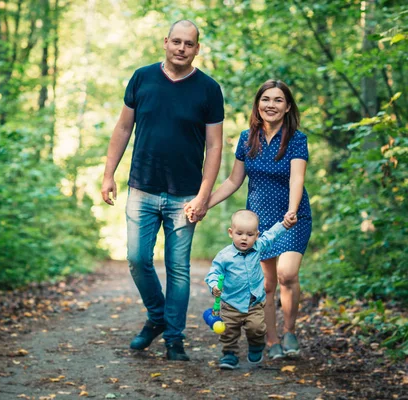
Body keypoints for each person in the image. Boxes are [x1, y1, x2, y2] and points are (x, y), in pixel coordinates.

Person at [100, 20, 225, 361]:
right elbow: (124, 127)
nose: (182, 48)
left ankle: (174, 337)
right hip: (142, 186)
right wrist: (108, 173)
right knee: (138, 260)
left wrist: (203, 194)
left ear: (197, 49)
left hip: (185, 195)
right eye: (177, 42)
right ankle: (157, 316)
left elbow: (214, 147)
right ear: (165, 42)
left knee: (178, 268)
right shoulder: (142, 78)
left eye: (189, 44)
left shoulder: (209, 90)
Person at [194, 79, 311, 360]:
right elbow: (234, 180)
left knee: (287, 274)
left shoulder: (296, 139)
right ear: (258, 105)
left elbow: (297, 177)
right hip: (258, 222)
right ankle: (272, 341)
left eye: (278, 100)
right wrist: (204, 202)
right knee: (266, 284)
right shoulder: (247, 138)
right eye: (266, 99)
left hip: (291, 217)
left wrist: (292, 210)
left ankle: (290, 331)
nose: (271, 105)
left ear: (287, 107)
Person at [204, 210, 296, 369]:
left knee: (257, 328)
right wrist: (214, 286)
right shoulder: (224, 256)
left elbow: (271, 235)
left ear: (256, 235)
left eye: (249, 234)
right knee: (228, 332)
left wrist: (284, 225)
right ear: (231, 233)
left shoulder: (258, 246)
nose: (244, 238)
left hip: (254, 303)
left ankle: (256, 345)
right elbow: (214, 272)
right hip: (231, 303)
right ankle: (229, 354)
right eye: (239, 233)